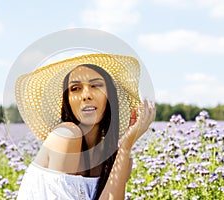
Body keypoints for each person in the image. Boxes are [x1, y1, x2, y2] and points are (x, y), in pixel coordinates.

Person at [15, 53, 155, 200]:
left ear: (110, 96)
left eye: (95, 85)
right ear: (67, 100)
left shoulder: (114, 156)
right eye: (75, 88)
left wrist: (125, 148)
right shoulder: (66, 135)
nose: (86, 95)